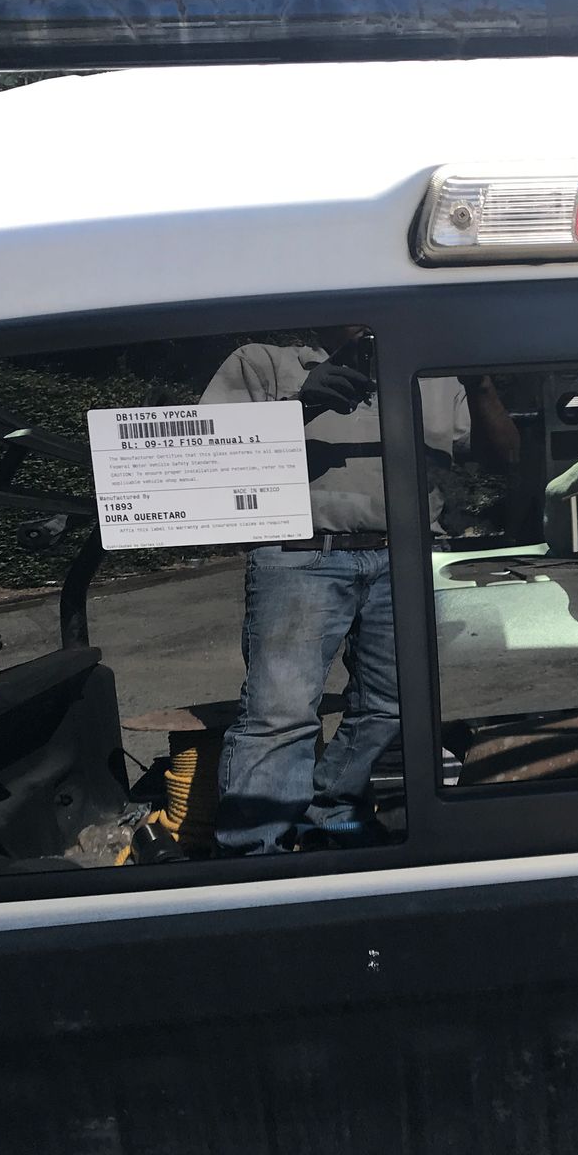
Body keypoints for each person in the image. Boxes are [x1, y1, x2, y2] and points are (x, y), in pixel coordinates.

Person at [202, 329, 517, 854]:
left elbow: (503, 454)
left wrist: (479, 381)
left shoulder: (438, 377)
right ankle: (252, 850)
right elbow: (210, 454)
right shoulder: (265, 362)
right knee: (279, 712)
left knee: (396, 703)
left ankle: (332, 811)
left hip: (408, 555)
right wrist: (301, 404)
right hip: (299, 553)